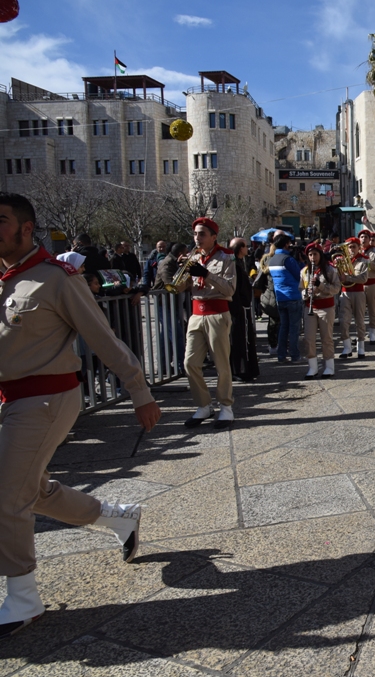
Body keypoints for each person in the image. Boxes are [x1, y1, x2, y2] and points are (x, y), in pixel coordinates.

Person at [0, 193, 162, 639]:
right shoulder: (6, 279)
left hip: (46, 399)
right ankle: (117, 517)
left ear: (26, 228)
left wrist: (139, 392)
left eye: (1, 221)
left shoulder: (57, 279)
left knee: (6, 495)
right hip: (11, 400)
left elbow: (104, 337)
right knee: (34, 491)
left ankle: (23, 597)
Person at [182, 218, 237, 429]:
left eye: (202, 234)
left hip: (217, 313)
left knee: (221, 363)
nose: (197, 238)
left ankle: (226, 407)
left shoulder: (226, 257)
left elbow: (229, 289)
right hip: (196, 314)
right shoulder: (192, 257)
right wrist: (181, 273)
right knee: (190, 362)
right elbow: (180, 287)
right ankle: (203, 405)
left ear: (214, 237)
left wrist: (206, 273)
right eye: (196, 234)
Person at [300, 242, 341, 378]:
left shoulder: (330, 269)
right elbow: (300, 289)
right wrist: (306, 292)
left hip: (326, 307)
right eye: (310, 255)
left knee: (326, 338)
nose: (313, 258)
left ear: (320, 254)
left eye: (315, 254)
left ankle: (329, 366)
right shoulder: (305, 271)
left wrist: (320, 286)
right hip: (310, 307)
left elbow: (336, 288)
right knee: (308, 338)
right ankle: (313, 367)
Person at [228, 238, 260, 382]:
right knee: (237, 339)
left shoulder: (243, 262)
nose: (248, 249)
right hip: (236, 308)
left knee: (245, 339)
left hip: (243, 307)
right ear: (240, 248)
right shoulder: (232, 264)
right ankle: (239, 371)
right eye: (245, 246)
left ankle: (248, 370)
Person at [268, 235, 303, 363]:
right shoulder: (288, 259)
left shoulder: (271, 260)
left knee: (283, 328)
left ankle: (281, 355)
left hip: (280, 297)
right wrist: (301, 262)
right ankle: (295, 355)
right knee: (294, 328)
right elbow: (300, 275)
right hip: (293, 296)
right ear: (286, 244)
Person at [338, 237, 370, 358]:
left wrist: (348, 278)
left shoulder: (364, 260)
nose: (351, 250)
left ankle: (361, 347)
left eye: (353, 247)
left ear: (358, 248)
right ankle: (347, 347)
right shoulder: (341, 260)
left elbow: (363, 279)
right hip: (345, 292)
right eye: (349, 247)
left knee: (360, 320)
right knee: (343, 320)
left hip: (358, 292)